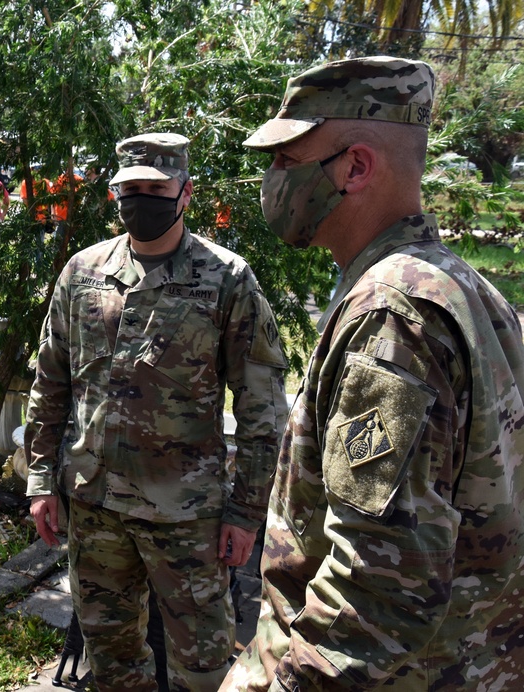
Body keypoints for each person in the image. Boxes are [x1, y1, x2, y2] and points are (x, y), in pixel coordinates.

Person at [222, 56, 524, 691]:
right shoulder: (460, 285)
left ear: (355, 166)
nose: (273, 179)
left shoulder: (394, 311)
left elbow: (378, 593)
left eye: (286, 159)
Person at [26, 132, 289, 691]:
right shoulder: (83, 271)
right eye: (131, 188)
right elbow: (51, 379)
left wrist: (246, 513)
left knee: (206, 667)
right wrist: (42, 479)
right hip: (94, 505)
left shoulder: (226, 278)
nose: (141, 199)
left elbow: (262, 405)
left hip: (186, 515)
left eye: (156, 187)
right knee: (113, 660)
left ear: (186, 193)